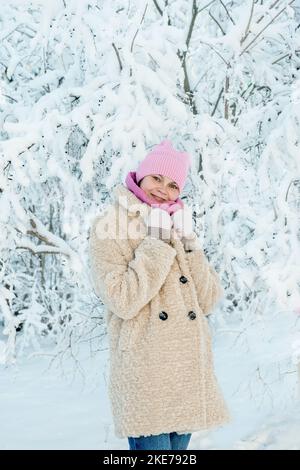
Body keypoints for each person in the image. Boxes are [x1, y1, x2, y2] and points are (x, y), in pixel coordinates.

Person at [89, 139, 230, 451]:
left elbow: (207, 299)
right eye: (156, 178)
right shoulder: (110, 225)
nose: (163, 190)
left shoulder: (175, 222)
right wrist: (156, 242)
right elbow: (122, 299)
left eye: (173, 185)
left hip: (186, 371)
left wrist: (188, 240)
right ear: (140, 175)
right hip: (147, 370)